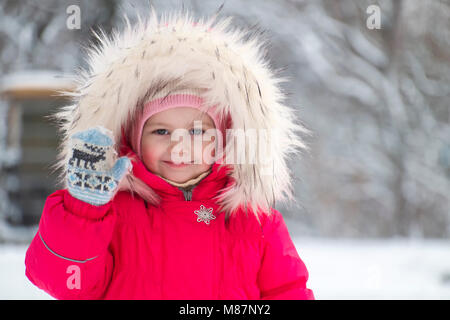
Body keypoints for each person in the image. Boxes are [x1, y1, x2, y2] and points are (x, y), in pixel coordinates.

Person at [25, 8, 314, 300]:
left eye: (197, 132)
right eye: (161, 132)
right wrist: (82, 212)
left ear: (223, 141)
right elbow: (66, 284)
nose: (179, 147)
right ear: (133, 141)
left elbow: (287, 291)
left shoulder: (254, 221)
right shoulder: (115, 215)